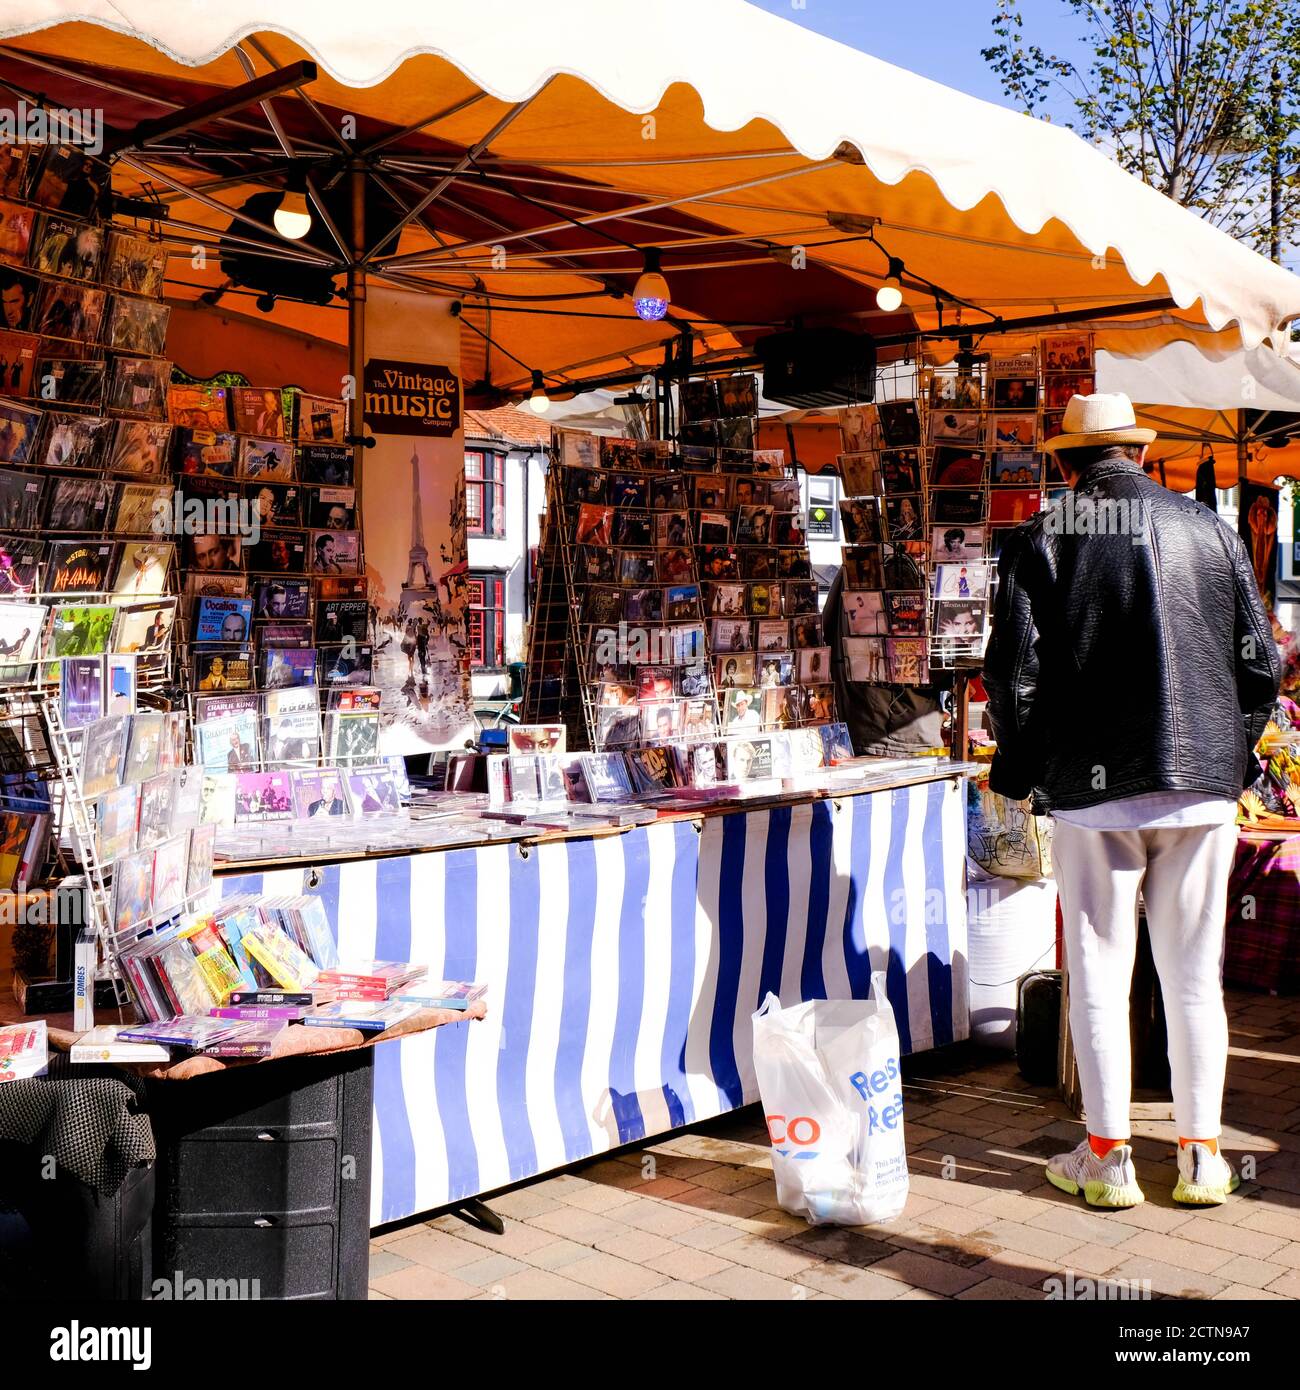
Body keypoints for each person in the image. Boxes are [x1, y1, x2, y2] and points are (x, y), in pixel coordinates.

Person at [983, 393, 1281, 1211]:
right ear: (1138, 455)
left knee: (1100, 974)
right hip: (1201, 788)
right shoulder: (1212, 531)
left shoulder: (1043, 536)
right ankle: (1201, 1157)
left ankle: (1110, 1157)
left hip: (1093, 791)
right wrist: (1231, 753)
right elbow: (1263, 670)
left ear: (1065, 460)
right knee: (1195, 977)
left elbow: (1014, 676)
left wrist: (1019, 769)